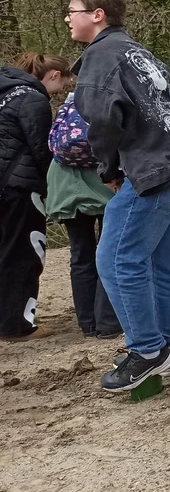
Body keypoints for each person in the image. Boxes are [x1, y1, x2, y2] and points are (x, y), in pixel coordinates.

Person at [65, 0, 170, 391]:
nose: (66, 19)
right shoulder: (135, 51)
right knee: (161, 263)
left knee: (115, 259)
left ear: (97, 15)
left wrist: (109, 171)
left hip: (158, 165)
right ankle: (165, 347)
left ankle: (147, 350)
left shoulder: (100, 57)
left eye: (73, 11)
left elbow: (102, 122)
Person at [46, 89, 124, 340]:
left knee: (80, 254)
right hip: (103, 183)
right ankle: (108, 323)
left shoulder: (68, 105)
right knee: (109, 251)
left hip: (65, 185)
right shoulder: (110, 101)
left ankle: (88, 324)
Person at [0, 53, 65, 341]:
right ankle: (17, 326)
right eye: (64, 80)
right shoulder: (34, 100)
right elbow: (42, 149)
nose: (63, 88)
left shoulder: (5, 94)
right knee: (25, 254)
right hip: (20, 188)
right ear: (53, 75)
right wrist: (53, 186)